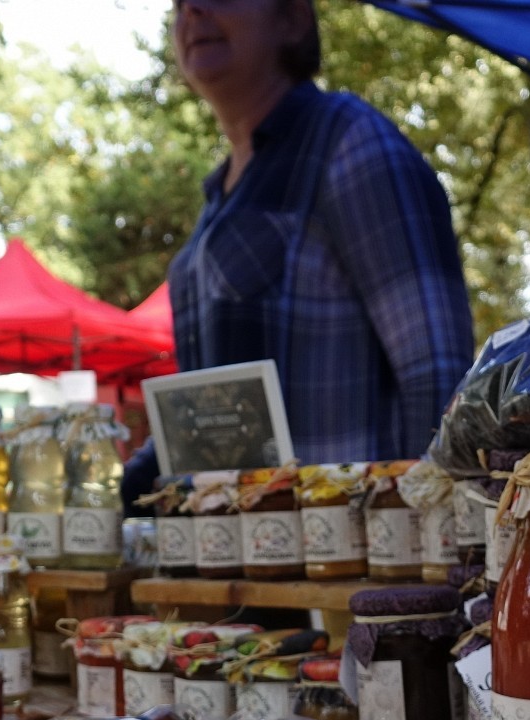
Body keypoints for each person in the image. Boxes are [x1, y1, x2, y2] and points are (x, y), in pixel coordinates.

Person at [124, 0, 473, 503]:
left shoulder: (352, 144)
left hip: (351, 541)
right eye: (178, 4)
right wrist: (112, 494)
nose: (192, 10)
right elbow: (210, 413)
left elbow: (438, 375)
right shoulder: (218, 198)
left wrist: (419, 528)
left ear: (291, 19)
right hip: (239, 546)